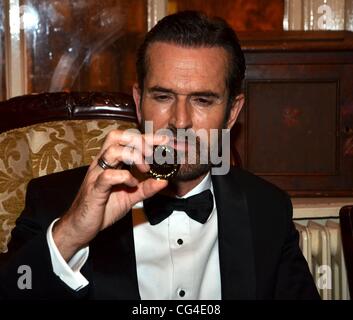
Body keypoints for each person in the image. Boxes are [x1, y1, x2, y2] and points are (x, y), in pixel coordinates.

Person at [0, 11, 320, 300]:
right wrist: (70, 233)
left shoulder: (267, 210)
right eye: (163, 96)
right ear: (139, 103)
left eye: (203, 100)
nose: (180, 121)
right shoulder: (55, 201)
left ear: (232, 112)